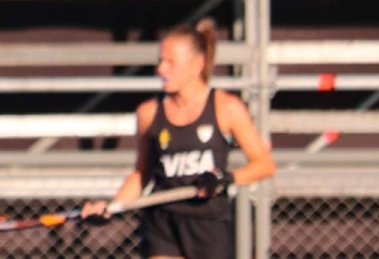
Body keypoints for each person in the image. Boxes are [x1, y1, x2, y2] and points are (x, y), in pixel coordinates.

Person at [81, 19, 275, 259]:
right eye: (160, 61)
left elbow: (264, 165)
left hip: (209, 225)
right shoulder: (149, 113)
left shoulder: (226, 107)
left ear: (197, 64)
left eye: (171, 63)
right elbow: (142, 174)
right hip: (164, 222)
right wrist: (111, 207)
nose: (161, 69)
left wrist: (225, 178)